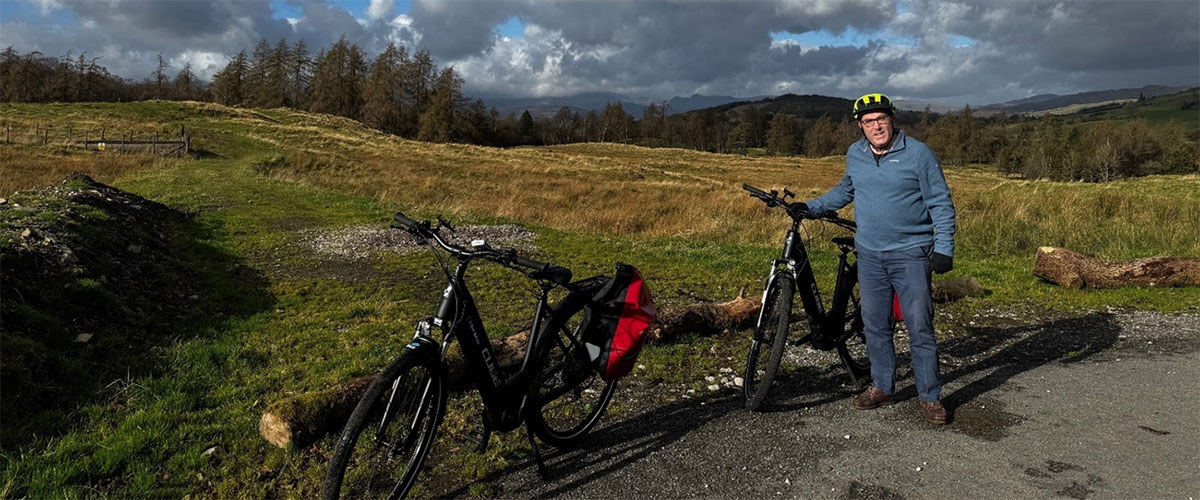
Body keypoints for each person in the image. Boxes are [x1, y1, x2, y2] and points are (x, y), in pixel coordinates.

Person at [793, 93, 957, 424]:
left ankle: (930, 397)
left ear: (892, 120)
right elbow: (844, 191)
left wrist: (944, 248)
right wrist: (811, 207)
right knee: (875, 325)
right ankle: (882, 386)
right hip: (868, 254)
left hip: (911, 253)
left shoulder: (919, 154)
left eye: (881, 119)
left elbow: (940, 202)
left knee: (919, 326)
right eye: (869, 122)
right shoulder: (856, 154)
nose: (876, 126)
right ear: (860, 126)